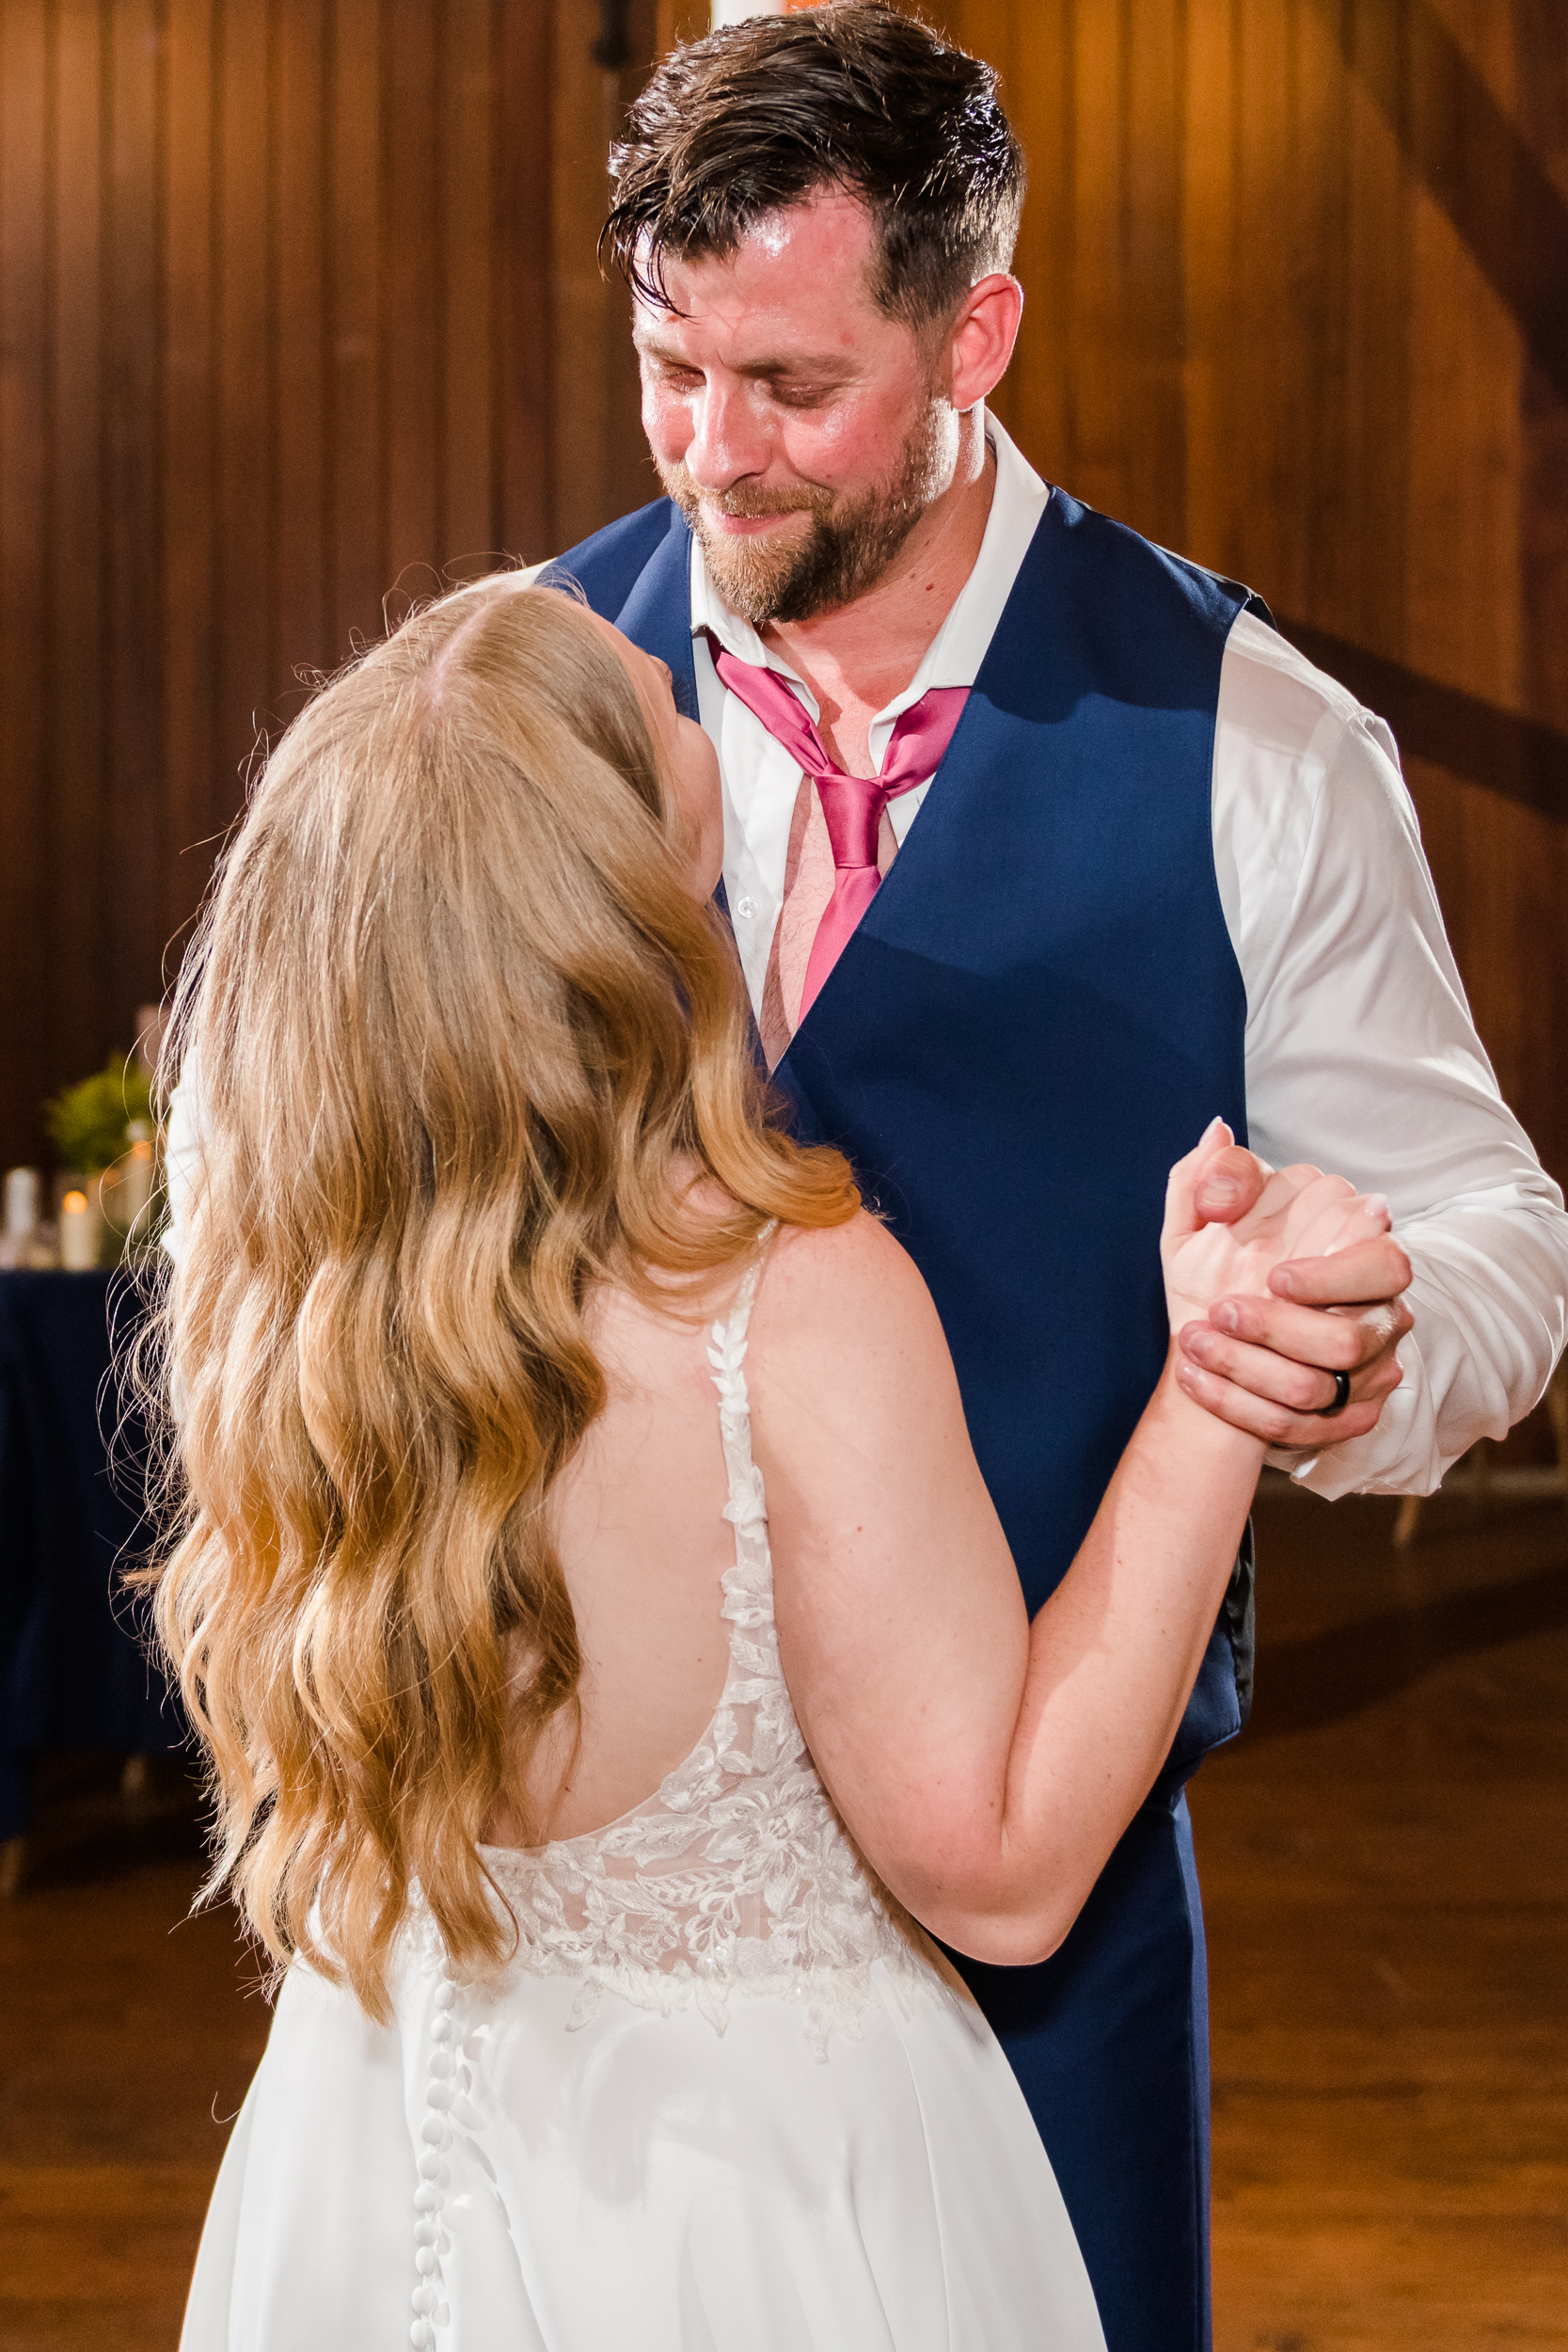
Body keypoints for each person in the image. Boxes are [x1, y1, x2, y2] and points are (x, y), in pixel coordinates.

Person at [517, 8, 1568, 2347]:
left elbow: (1500, 1232)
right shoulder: (530, 692)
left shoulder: (1257, 740)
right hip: (597, 1906)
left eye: (793, 388)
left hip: (1048, 1914)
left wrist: (1347, 1322)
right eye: (670, 369)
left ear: (976, 330)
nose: (713, 454)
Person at [159, 574, 1390, 2349]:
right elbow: (1005, 1866)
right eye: (668, 718)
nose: (692, 689)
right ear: (641, 891)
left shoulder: (285, 1297)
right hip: (757, 2211)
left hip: (374, 2148)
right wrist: (1216, 1378)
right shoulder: (786, 1309)